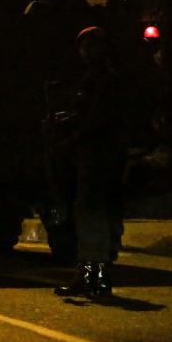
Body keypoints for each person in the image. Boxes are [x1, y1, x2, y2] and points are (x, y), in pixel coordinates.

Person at [54, 26, 128, 299]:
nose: (86, 52)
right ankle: (89, 275)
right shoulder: (97, 79)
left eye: (90, 46)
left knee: (92, 216)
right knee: (94, 215)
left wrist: (70, 139)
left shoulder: (103, 80)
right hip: (102, 157)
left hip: (99, 157)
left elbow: (97, 121)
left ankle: (96, 276)